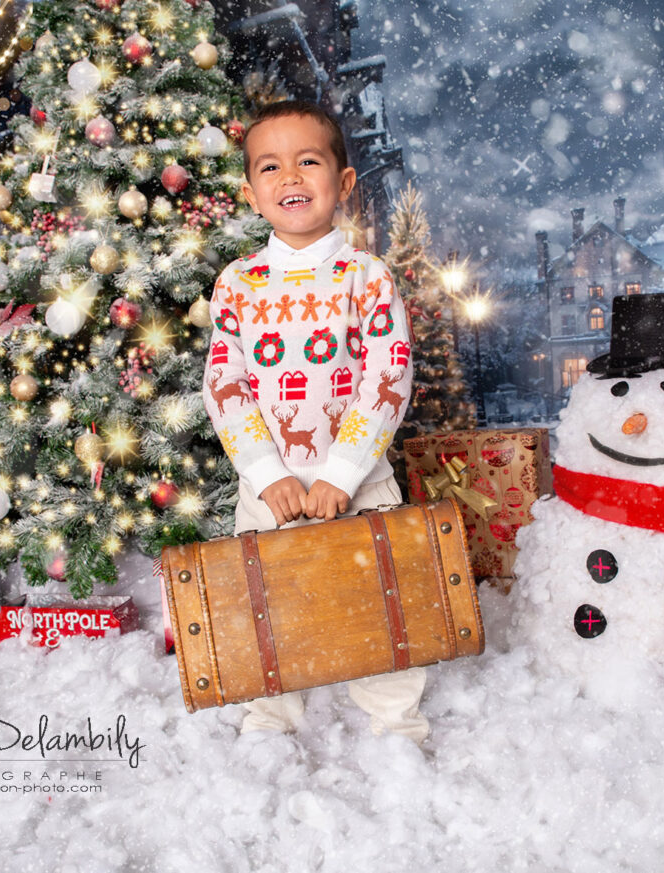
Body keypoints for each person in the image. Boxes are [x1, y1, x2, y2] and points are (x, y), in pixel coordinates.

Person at [203, 100, 427, 742]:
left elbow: (389, 375)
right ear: (250, 193)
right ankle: (269, 721)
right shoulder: (237, 283)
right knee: (268, 606)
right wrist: (267, 475)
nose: (291, 178)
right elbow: (225, 381)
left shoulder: (366, 277)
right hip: (268, 492)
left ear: (344, 183)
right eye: (270, 167)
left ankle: (395, 726)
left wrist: (343, 471)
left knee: (380, 605)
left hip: (360, 482)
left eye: (309, 161)